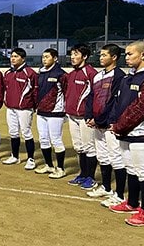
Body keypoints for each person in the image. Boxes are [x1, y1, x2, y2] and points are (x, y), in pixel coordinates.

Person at [107, 41, 144, 227]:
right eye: (126, 54)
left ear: (143, 55)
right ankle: (132, 203)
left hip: (142, 134)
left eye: (130, 54)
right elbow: (118, 103)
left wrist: (119, 126)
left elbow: (143, 109)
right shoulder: (128, 77)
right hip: (124, 132)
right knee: (131, 169)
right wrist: (114, 122)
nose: (127, 57)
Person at [84, 44, 126, 204]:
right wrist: (89, 116)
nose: (100, 58)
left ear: (114, 57)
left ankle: (120, 194)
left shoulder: (119, 76)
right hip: (96, 123)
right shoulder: (98, 75)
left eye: (104, 55)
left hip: (109, 124)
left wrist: (100, 119)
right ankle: (106, 187)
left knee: (115, 157)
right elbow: (91, 97)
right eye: (100, 55)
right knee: (102, 156)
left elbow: (114, 103)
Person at [65, 44, 99, 189]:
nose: (72, 57)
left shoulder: (91, 73)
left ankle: (91, 177)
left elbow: (97, 96)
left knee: (89, 147)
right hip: (72, 115)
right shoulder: (71, 74)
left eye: (76, 54)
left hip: (85, 117)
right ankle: (83, 174)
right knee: (79, 147)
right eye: (72, 54)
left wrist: (93, 115)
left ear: (84, 56)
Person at [2, 48, 38, 170]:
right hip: (10, 107)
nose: (13, 58)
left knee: (26, 133)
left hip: (24, 108)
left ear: (23, 58)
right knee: (13, 132)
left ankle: (31, 159)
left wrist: (34, 106)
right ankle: (15, 156)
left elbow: (35, 91)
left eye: (16, 56)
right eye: (12, 56)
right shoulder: (8, 73)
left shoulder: (30, 73)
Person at [34, 48, 68, 179]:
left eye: (47, 57)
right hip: (41, 111)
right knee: (43, 139)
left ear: (55, 58)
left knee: (56, 140)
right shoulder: (41, 72)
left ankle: (60, 168)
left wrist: (65, 111)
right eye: (43, 57)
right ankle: (49, 165)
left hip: (55, 112)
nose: (44, 59)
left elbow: (66, 92)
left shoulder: (61, 74)